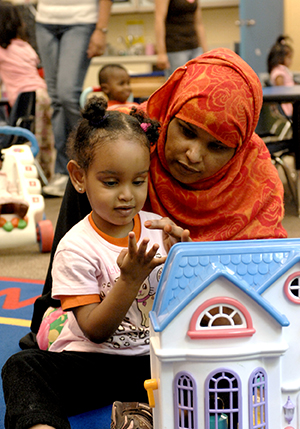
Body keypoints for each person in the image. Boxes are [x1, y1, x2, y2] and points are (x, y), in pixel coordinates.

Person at [19, 48, 287, 347]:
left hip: (198, 333)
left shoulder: (256, 180)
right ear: (169, 113)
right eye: (186, 131)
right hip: (98, 321)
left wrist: (189, 265)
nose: (193, 155)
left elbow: (267, 295)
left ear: (237, 150)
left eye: (217, 147)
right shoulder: (125, 141)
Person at [1, 96, 190, 429]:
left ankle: (137, 417)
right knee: (22, 367)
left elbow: (181, 314)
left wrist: (184, 258)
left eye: (138, 181)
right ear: (78, 177)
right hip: (92, 362)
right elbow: (95, 330)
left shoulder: (156, 230)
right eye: (111, 182)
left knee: (202, 364)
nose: (127, 195)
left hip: (148, 364)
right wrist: (130, 280)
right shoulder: (76, 247)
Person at [37, 0, 113, 197]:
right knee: (55, 99)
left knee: (67, 94)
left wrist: (101, 30)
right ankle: (63, 171)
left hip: (81, 20)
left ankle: (87, 159)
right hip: (44, 20)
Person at [0, 1, 55, 181]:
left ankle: (30, 178)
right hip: (42, 93)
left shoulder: (2, 50)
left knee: (32, 138)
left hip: (24, 96)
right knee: (44, 138)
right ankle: (45, 175)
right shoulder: (25, 46)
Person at [155, 0, 208, 79]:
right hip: (176, 49)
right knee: (179, 87)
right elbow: (159, 20)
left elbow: (198, 23)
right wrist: (161, 53)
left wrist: (206, 52)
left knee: (199, 83)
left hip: (195, 47)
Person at [267, 35, 295, 117]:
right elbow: (280, 91)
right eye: (289, 58)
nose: (291, 61)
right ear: (280, 58)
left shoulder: (283, 70)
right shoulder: (278, 73)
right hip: (286, 105)